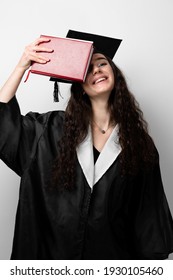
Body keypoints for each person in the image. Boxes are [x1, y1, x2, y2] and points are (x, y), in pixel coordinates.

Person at [0, 30, 173, 260]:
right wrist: (22, 66)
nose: (97, 70)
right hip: (51, 265)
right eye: (88, 68)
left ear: (114, 74)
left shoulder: (139, 144)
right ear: (80, 86)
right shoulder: (49, 130)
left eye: (102, 63)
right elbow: (4, 127)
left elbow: (149, 218)